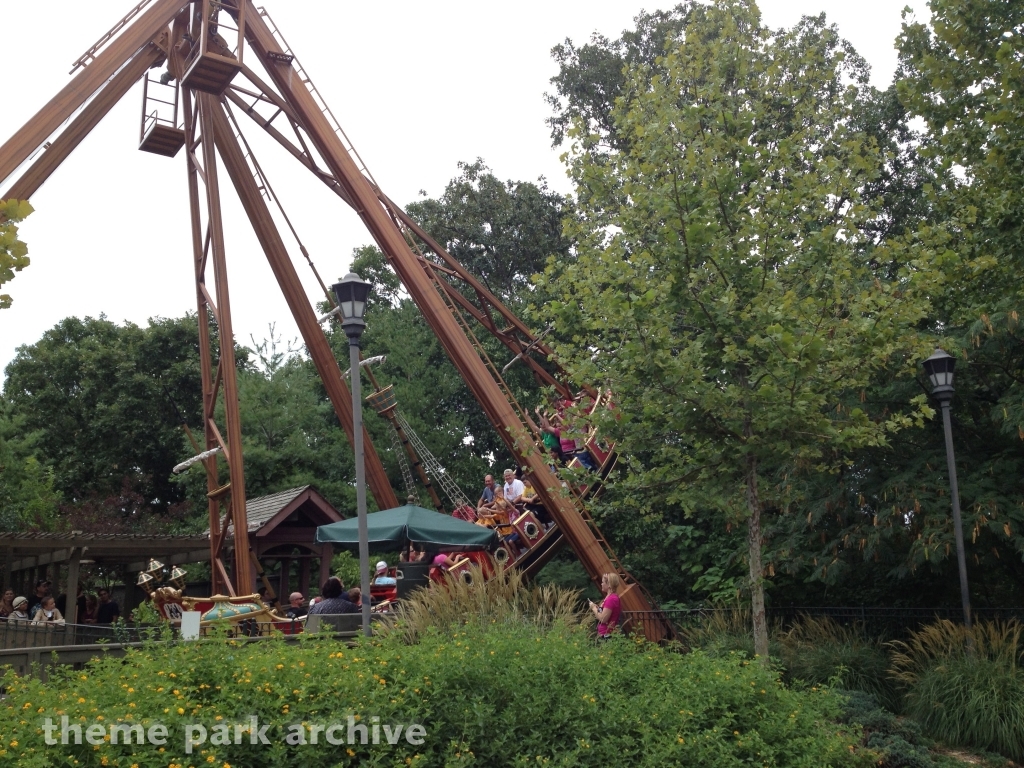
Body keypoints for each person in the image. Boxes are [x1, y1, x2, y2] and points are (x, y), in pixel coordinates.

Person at [589, 572, 622, 639]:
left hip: (607, 635)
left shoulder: (611, 599)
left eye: (603, 582)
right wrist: (598, 608)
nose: (601, 584)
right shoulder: (610, 597)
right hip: (605, 633)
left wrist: (593, 608)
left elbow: (603, 619)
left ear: (609, 585)